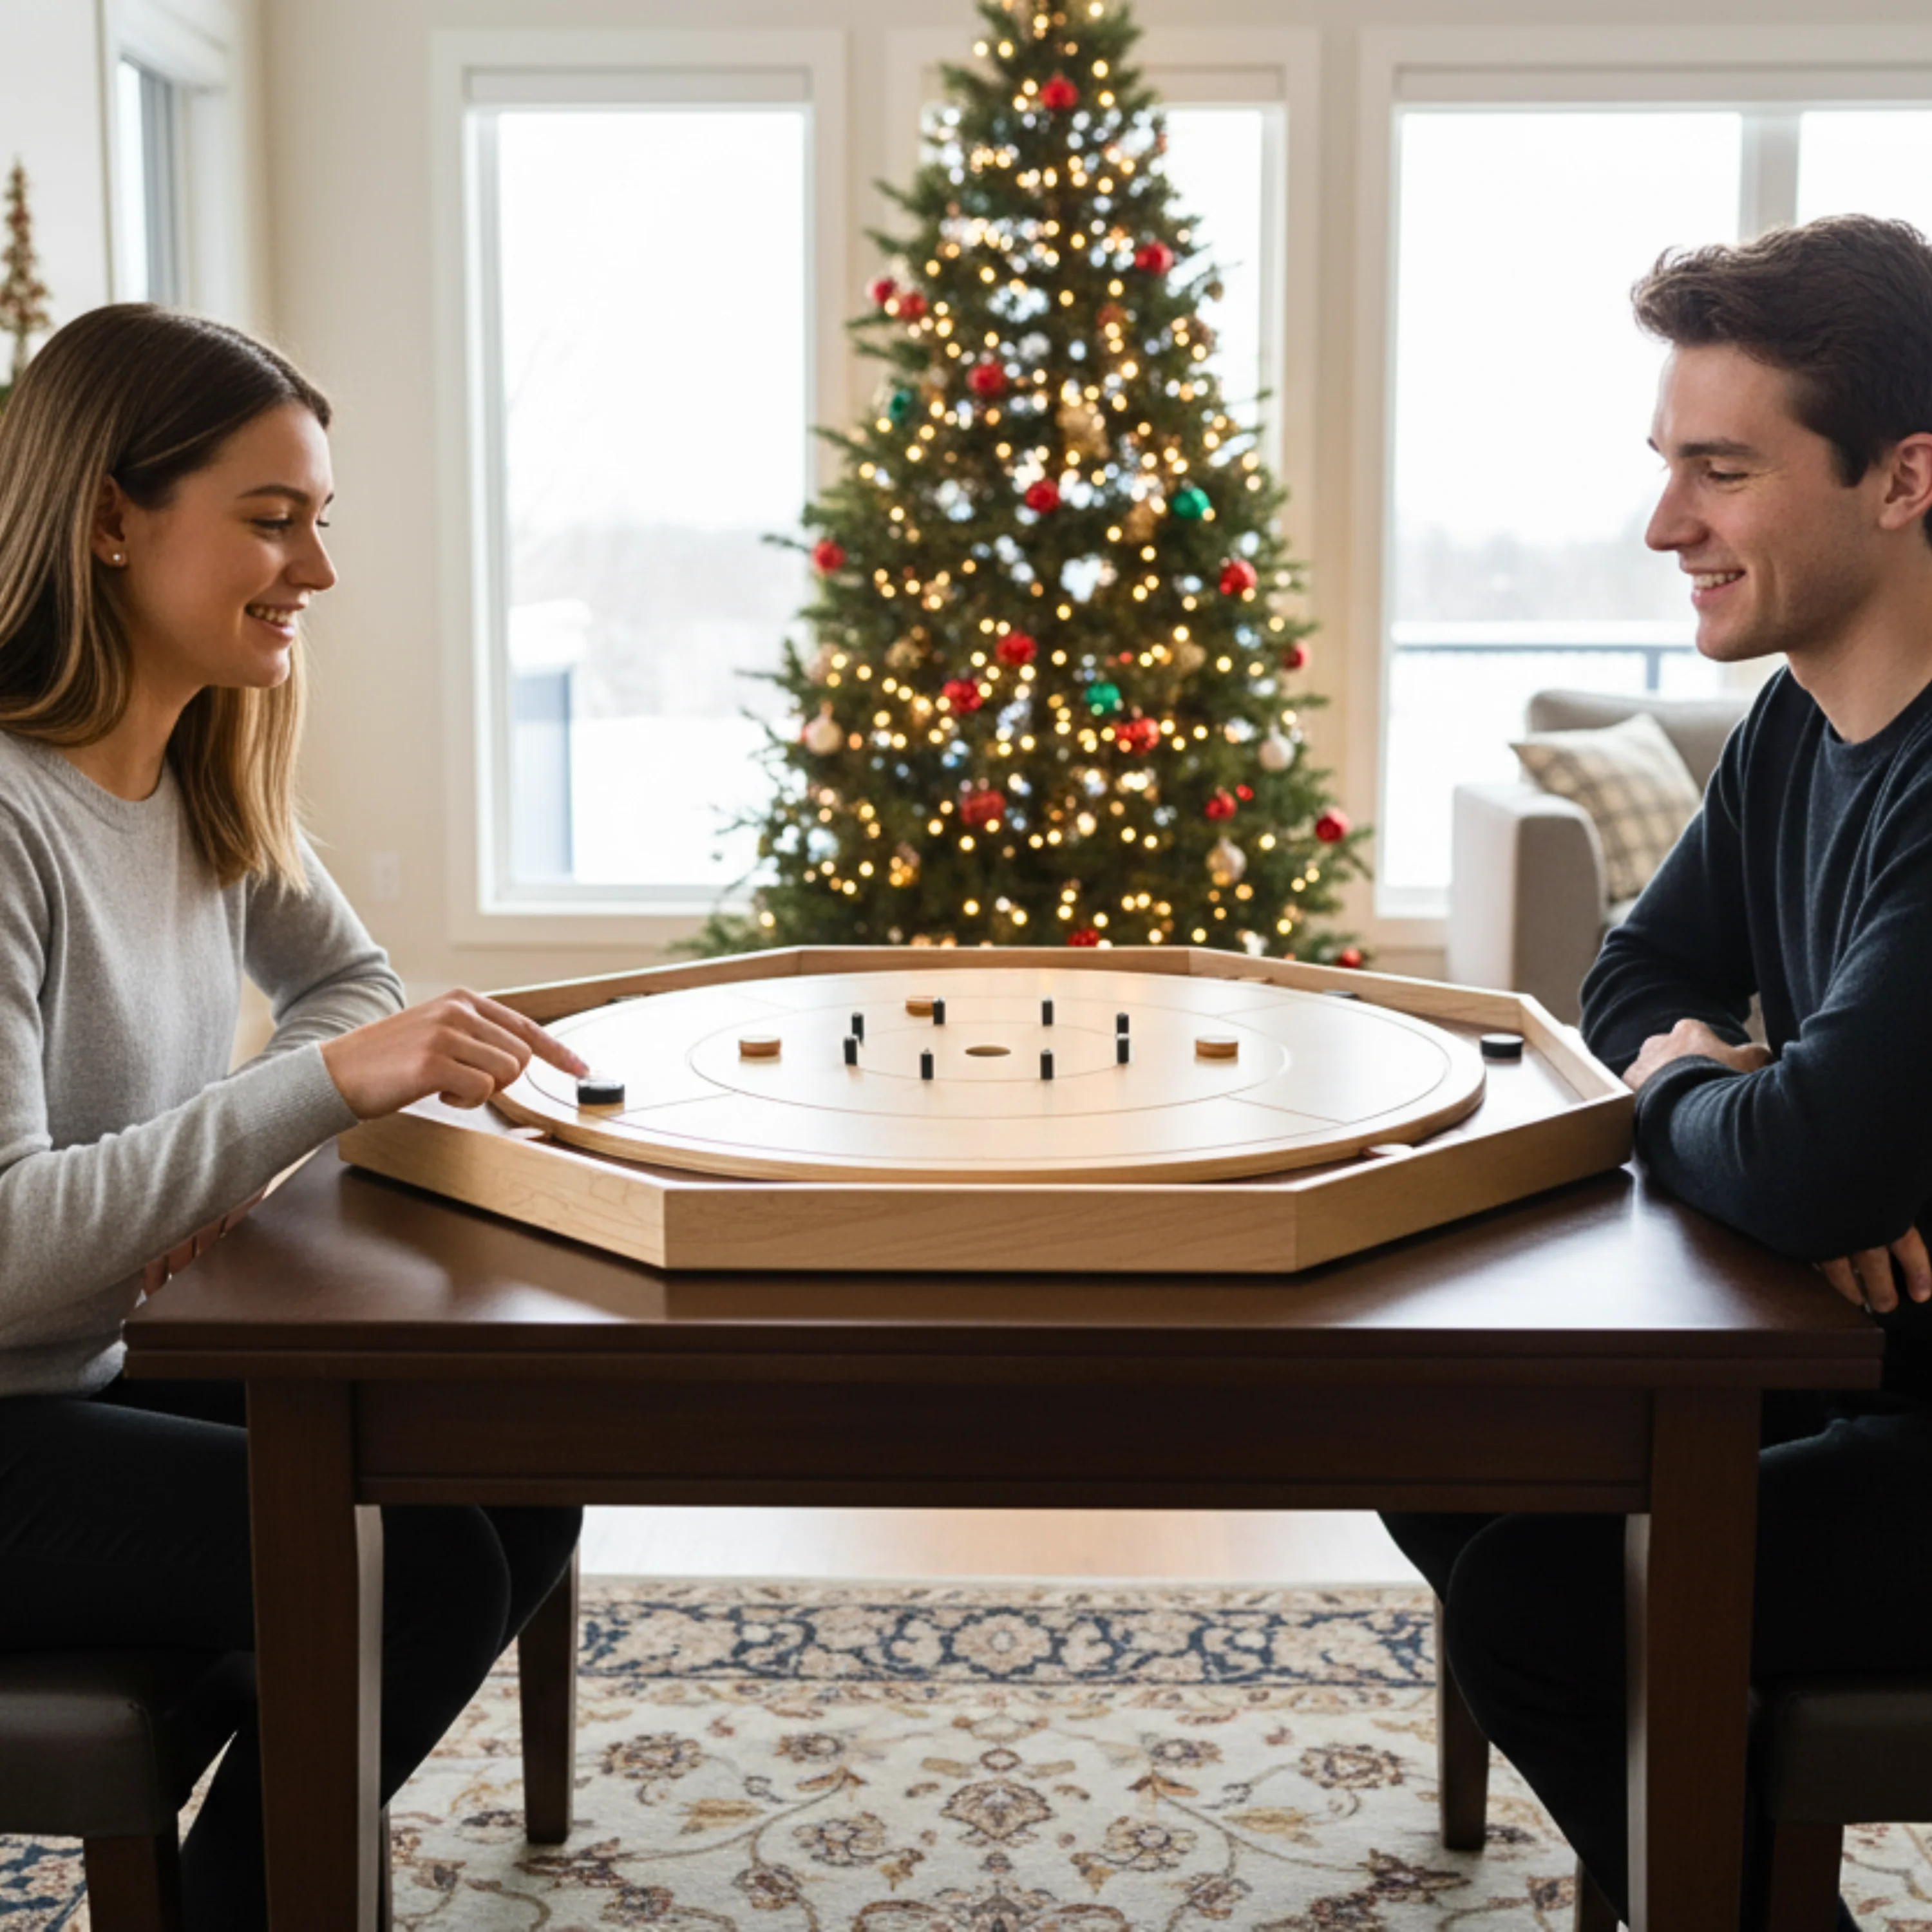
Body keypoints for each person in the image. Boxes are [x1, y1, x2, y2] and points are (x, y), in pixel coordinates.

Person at [0, 304, 592, 1931]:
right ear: (110, 518)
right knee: (427, 1577)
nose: (314, 573)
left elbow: (352, 980)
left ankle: (249, 1887)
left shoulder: (196, 771)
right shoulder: (5, 817)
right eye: (272, 521)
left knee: (522, 1456)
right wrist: (297, 1100)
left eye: (318, 522)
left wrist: (227, 1144)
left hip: (93, 1366)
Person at [1386, 213, 1932, 1931]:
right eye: (1664, 465)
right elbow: (1630, 976)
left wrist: (1764, 1118)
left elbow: (1825, 1159)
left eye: (1721, 470)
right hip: (1863, 1356)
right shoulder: (1797, 723)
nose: (1664, 527)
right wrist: (1752, 1100)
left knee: (1545, 1605)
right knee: (1442, 1433)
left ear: (1905, 478)